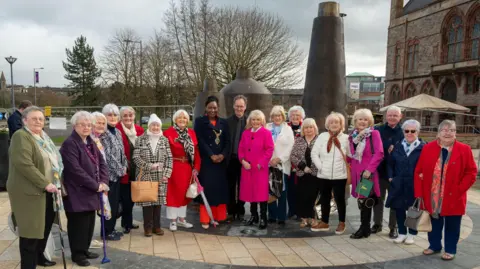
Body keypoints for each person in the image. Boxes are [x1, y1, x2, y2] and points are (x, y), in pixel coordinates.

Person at [414, 120, 477, 261]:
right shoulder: (428, 148)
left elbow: (471, 172)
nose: (447, 132)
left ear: (455, 133)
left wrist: (460, 189)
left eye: (451, 130)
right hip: (432, 195)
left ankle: (450, 249)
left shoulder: (464, 149)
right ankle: (434, 245)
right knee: (434, 223)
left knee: (452, 224)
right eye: (444, 129)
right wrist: (419, 193)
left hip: (454, 195)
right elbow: (419, 171)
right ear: (438, 132)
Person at [7, 106, 61, 268]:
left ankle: (40, 257)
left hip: (48, 192)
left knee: (43, 230)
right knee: (30, 234)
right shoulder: (21, 136)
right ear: (24, 121)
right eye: (34, 118)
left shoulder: (44, 138)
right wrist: (45, 183)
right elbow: (24, 164)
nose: (38, 121)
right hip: (29, 193)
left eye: (41, 119)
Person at [60, 111, 109, 266]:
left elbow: (101, 162)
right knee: (78, 225)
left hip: (91, 190)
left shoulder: (90, 141)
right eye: (83, 124)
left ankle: (85, 248)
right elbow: (75, 170)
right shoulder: (70, 144)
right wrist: (96, 185)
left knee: (89, 223)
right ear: (75, 126)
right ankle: (77, 254)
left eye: (89, 125)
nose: (86, 127)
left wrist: (103, 181)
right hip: (77, 191)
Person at [133, 114, 173, 237]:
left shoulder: (164, 140)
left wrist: (167, 173)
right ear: (149, 126)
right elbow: (136, 157)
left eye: (157, 125)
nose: (155, 127)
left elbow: (169, 158)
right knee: (147, 203)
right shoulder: (140, 139)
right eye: (153, 125)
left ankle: (157, 227)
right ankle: (148, 228)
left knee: (158, 203)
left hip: (161, 176)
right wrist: (149, 166)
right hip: (146, 175)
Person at [386, 119, 425, 245]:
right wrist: (391, 176)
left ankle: (411, 234)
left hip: (414, 184)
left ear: (418, 132)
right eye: (407, 131)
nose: (409, 133)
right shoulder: (397, 146)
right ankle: (402, 233)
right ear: (403, 131)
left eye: (413, 131)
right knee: (399, 209)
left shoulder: (424, 147)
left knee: (413, 210)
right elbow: (390, 163)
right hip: (398, 183)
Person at [194, 96, 231, 229]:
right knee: (207, 189)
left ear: (218, 108)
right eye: (210, 107)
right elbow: (200, 140)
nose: (212, 110)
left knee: (219, 189)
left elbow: (228, 142)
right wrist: (211, 155)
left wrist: (222, 155)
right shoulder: (199, 122)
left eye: (215, 108)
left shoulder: (224, 123)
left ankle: (219, 216)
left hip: (221, 162)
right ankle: (206, 218)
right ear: (206, 107)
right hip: (207, 162)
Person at [93, 105, 128, 241]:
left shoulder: (117, 132)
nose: (113, 118)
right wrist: (119, 169)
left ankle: (112, 228)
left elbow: (121, 152)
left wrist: (124, 165)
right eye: (109, 115)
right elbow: (107, 155)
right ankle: (106, 231)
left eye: (115, 115)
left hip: (118, 174)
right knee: (108, 204)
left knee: (114, 204)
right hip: (109, 175)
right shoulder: (104, 133)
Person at [348, 109, 384, 239]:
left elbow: (379, 153)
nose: (363, 122)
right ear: (355, 121)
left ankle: (364, 229)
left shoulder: (373, 134)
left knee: (365, 200)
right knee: (361, 199)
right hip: (356, 172)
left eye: (365, 119)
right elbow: (351, 154)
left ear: (370, 121)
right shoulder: (352, 135)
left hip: (367, 173)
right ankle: (365, 228)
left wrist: (369, 170)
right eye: (360, 119)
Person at [310, 112, 349, 234]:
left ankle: (342, 222)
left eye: (336, 122)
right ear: (327, 124)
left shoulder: (346, 138)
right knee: (324, 199)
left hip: (340, 175)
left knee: (340, 199)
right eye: (331, 122)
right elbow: (314, 153)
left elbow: (350, 156)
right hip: (324, 175)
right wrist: (321, 167)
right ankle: (324, 222)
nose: (334, 124)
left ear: (341, 124)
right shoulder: (322, 136)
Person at [164, 110, 200, 231]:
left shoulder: (191, 133)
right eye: (180, 118)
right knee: (173, 194)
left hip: (187, 168)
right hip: (174, 167)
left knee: (185, 194)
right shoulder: (168, 133)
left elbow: (196, 152)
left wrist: (196, 167)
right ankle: (173, 221)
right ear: (175, 119)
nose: (182, 120)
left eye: (185, 118)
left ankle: (182, 219)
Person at [238, 110, 274, 229]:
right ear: (250, 121)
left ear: (262, 121)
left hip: (259, 169)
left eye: (258, 119)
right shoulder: (245, 133)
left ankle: (263, 217)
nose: (255, 122)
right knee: (250, 192)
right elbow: (241, 149)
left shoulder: (266, 133)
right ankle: (254, 216)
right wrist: (243, 161)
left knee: (261, 194)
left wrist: (261, 163)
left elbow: (269, 149)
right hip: (247, 168)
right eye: (253, 119)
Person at [373, 105, 404, 238]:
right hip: (379, 171)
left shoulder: (405, 131)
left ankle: (393, 227)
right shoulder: (377, 130)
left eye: (395, 115)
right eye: (390, 115)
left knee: (395, 201)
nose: (392, 117)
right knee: (377, 200)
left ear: (400, 117)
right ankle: (377, 224)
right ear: (386, 116)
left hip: (396, 173)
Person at [116, 106, 144, 233]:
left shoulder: (139, 130)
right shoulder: (117, 130)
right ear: (121, 117)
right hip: (124, 170)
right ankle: (126, 224)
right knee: (126, 199)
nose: (128, 118)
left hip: (137, 169)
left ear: (134, 116)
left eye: (130, 115)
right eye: (125, 115)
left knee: (132, 199)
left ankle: (128, 222)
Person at [266, 105, 295, 225]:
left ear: (283, 116)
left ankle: (281, 216)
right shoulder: (266, 127)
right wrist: (269, 159)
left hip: (281, 164)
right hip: (269, 163)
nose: (277, 117)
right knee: (270, 190)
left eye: (279, 115)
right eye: (275, 115)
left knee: (282, 191)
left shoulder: (287, 129)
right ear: (271, 117)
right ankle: (272, 215)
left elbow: (290, 146)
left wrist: (279, 159)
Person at [289, 118, 319, 228]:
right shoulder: (299, 140)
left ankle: (313, 218)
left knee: (313, 196)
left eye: (311, 127)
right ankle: (304, 219)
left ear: (315, 128)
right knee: (302, 196)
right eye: (306, 127)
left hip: (316, 174)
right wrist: (303, 166)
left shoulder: (319, 140)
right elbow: (293, 156)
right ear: (303, 129)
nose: (308, 129)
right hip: (302, 174)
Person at [226, 95, 248, 221]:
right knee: (230, 185)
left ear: (245, 107)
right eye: (237, 106)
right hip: (231, 159)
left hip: (244, 160)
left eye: (242, 106)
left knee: (243, 186)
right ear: (234, 106)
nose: (239, 108)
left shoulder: (249, 122)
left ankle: (241, 209)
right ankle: (231, 210)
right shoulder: (227, 122)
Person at [286, 105, 305, 220]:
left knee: (300, 189)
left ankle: (300, 211)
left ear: (301, 116)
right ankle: (291, 210)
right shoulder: (286, 127)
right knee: (290, 188)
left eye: (297, 115)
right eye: (293, 115)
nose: (295, 117)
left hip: (301, 163)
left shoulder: (305, 127)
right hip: (288, 163)